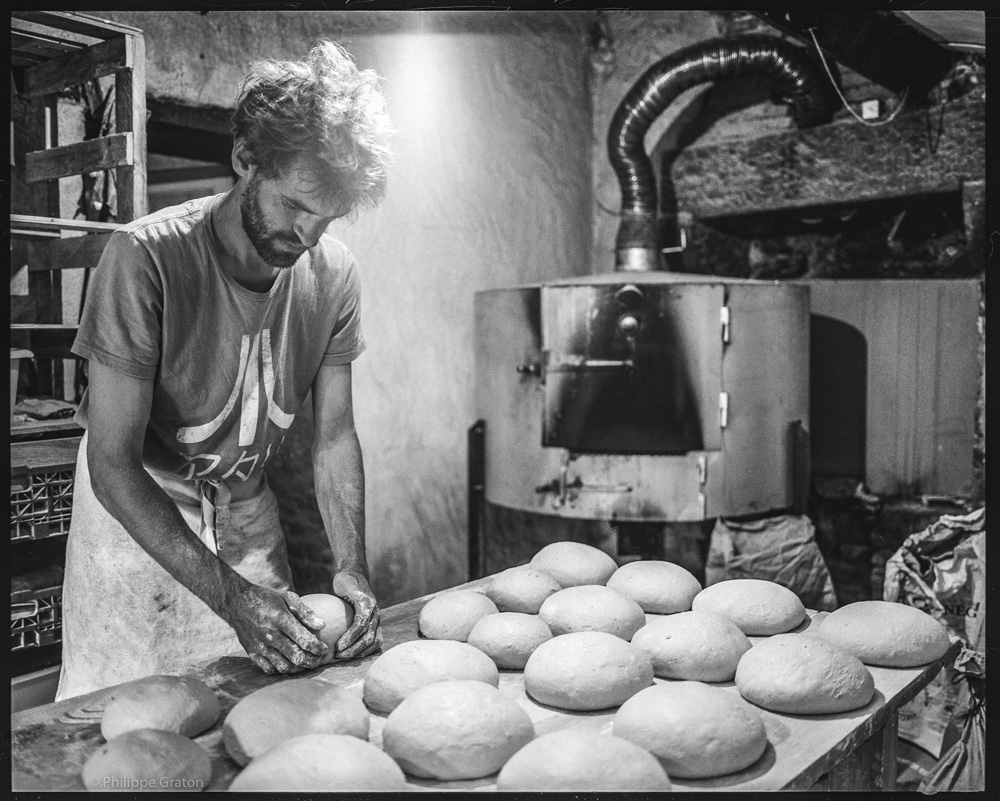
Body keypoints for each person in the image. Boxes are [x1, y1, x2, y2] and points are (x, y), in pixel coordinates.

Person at [56, 40, 394, 701]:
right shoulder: (143, 260)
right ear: (245, 160)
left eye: (325, 218)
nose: (306, 235)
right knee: (131, 731)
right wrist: (232, 599)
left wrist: (351, 567)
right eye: (296, 205)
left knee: (260, 715)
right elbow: (112, 464)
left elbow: (332, 437)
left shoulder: (334, 276)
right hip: (138, 529)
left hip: (244, 510)